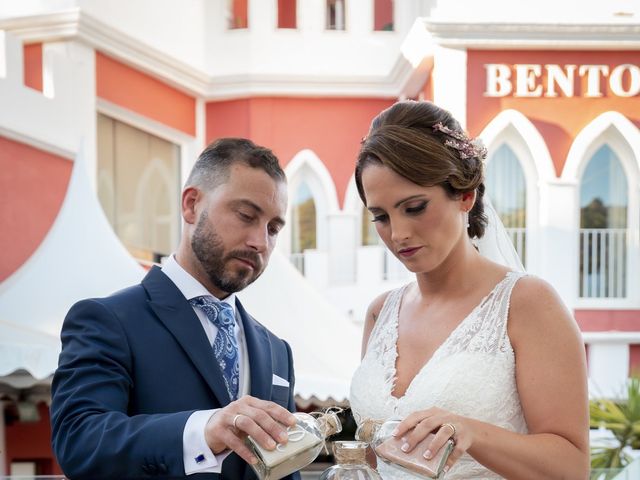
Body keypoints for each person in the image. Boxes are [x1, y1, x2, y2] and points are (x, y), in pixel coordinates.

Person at [349, 100, 589, 479]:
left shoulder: (526, 303)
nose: (398, 234)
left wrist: (472, 431)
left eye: (414, 207)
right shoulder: (381, 312)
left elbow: (571, 467)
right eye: (381, 216)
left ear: (465, 195)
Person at [51, 138, 301, 480]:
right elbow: (80, 442)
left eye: (273, 228)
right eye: (246, 215)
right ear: (192, 204)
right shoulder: (107, 320)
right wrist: (202, 431)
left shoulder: (277, 351)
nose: (260, 241)